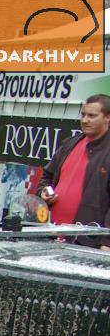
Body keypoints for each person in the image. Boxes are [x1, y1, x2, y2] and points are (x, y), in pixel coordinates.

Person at [37, 94, 110, 239]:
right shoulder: (70, 144)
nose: (85, 120)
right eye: (83, 114)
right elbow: (46, 177)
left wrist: (107, 243)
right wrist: (43, 192)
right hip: (50, 233)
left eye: (92, 116)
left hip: (86, 242)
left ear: (108, 118)